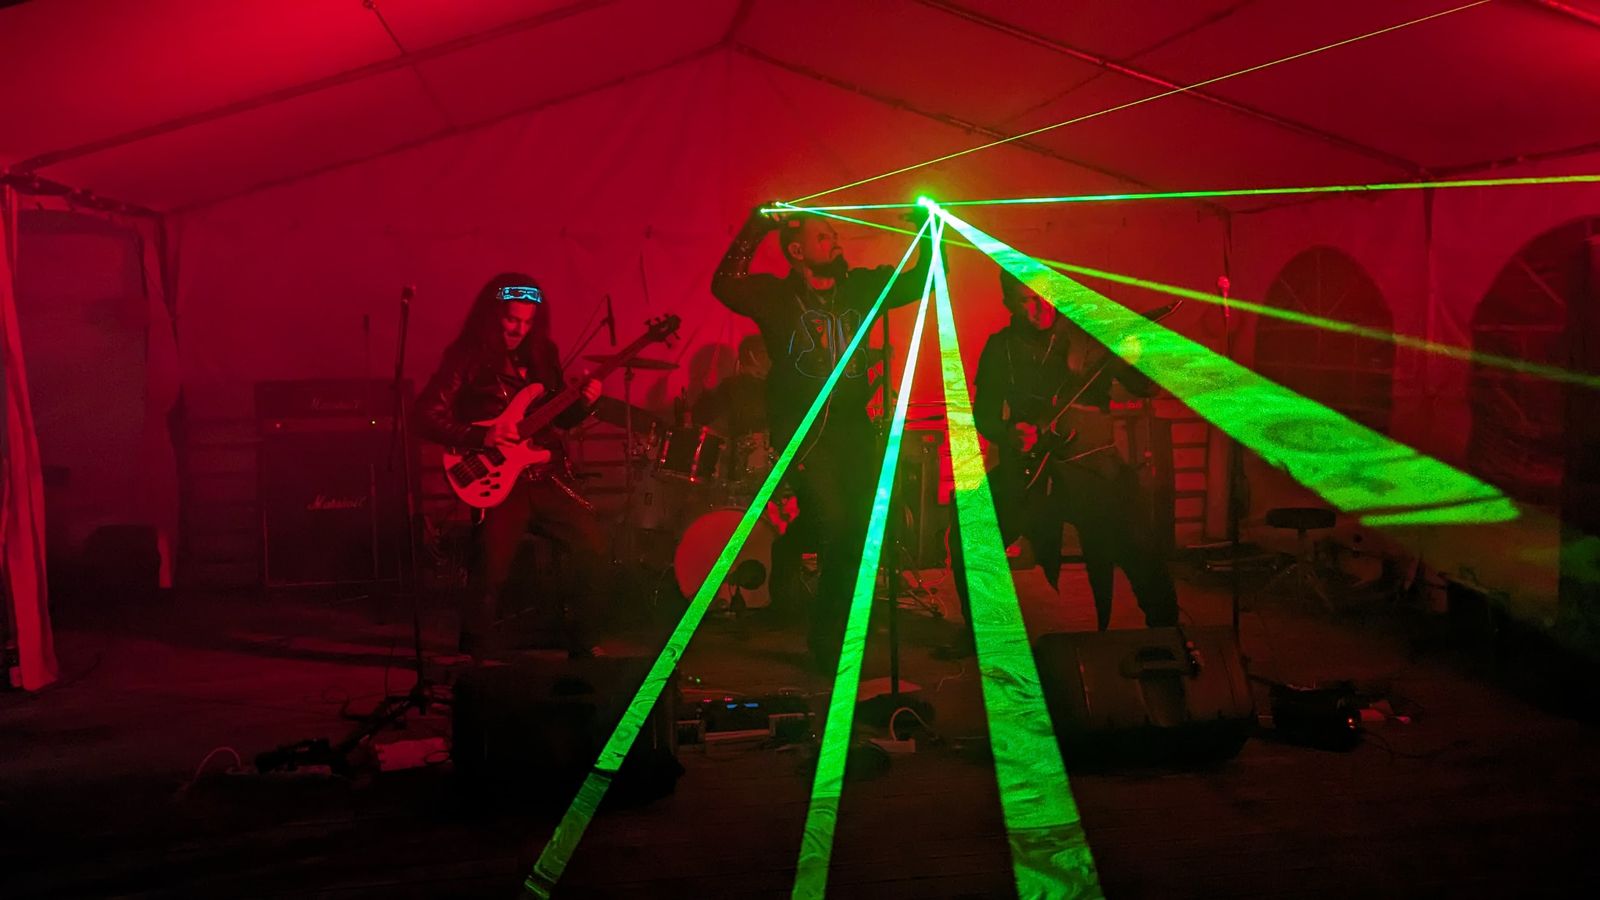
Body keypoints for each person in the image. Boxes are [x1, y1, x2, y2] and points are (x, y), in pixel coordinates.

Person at [711, 207, 934, 670]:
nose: (834, 240)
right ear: (796, 251)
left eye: (833, 234)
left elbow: (921, 281)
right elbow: (725, 285)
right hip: (806, 434)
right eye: (822, 236)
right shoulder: (776, 296)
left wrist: (928, 230)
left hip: (854, 429)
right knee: (835, 524)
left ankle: (831, 630)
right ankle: (827, 638)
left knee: (857, 531)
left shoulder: (861, 287)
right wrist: (758, 225)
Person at [942, 270, 1178, 657]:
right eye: (1027, 300)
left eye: (1045, 297)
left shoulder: (1088, 336)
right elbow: (984, 413)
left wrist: (1138, 356)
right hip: (1031, 472)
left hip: (1093, 468)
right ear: (1009, 304)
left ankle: (1167, 633)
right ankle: (981, 629)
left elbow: (1144, 386)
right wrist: (1008, 432)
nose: (1041, 308)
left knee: (1140, 542)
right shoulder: (1001, 348)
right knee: (971, 528)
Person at [414, 273, 606, 660]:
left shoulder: (543, 354)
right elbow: (425, 415)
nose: (519, 329)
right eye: (511, 320)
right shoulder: (466, 357)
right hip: (499, 479)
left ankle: (581, 640)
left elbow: (556, 419)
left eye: (528, 322)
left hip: (543, 474)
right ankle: (476, 651)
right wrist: (480, 436)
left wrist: (584, 404)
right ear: (493, 316)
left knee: (593, 547)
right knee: (492, 567)